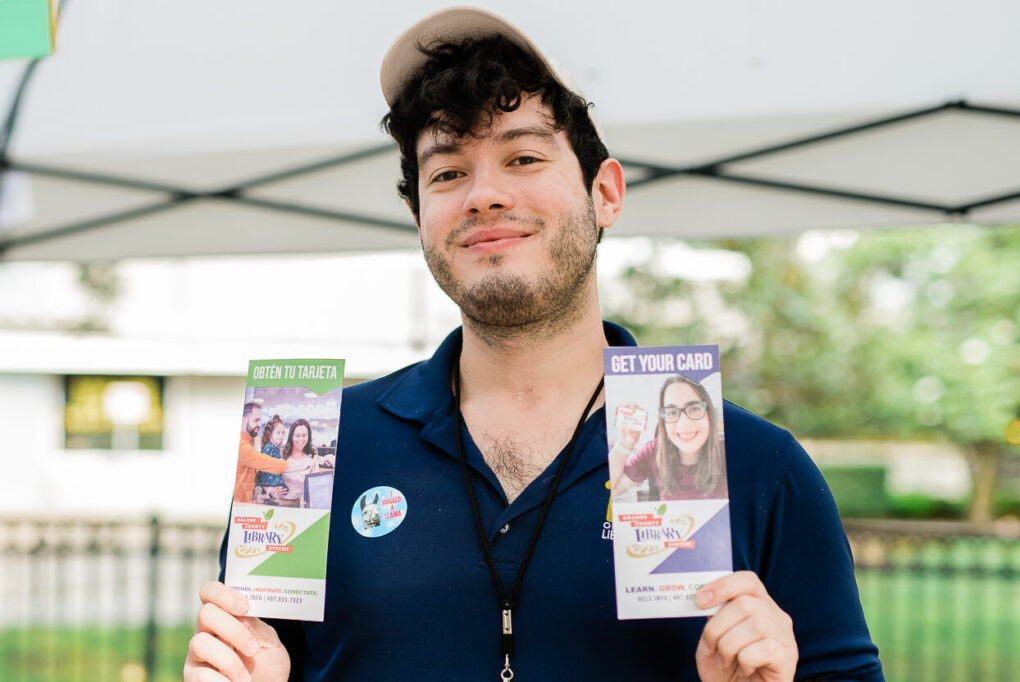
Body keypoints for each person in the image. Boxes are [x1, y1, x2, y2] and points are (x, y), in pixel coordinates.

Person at [186, 8, 883, 681]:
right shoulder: (311, 445)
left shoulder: (758, 467)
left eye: (522, 156)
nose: (484, 195)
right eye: (448, 172)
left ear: (605, 193)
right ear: (418, 215)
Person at [609, 375, 728, 500]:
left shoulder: (727, 449)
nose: (684, 424)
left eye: (694, 408)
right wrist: (624, 444)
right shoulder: (654, 450)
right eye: (671, 412)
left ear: (709, 414)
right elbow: (611, 489)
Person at [232, 402, 289, 504]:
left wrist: (267, 492)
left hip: (244, 504)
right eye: (256, 420)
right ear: (243, 420)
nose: (259, 424)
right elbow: (263, 462)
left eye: (260, 420)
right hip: (238, 505)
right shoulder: (240, 444)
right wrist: (292, 464)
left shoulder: (249, 441)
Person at [279, 419, 318, 508]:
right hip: (281, 503)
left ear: (308, 437)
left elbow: (314, 488)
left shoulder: (312, 458)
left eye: (304, 435)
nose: (301, 439)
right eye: (297, 435)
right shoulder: (282, 456)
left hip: (300, 504)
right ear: (291, 437)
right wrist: (272, 490)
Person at [254, 415, 288, 504]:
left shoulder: (274, 447)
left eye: (283, 433)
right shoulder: (269, 448)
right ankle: (263, 496)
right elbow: (265, 468)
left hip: (272, 482)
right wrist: (268, 489)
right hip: (269, 484)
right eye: (278, 432)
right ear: (270, 433)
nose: (281, 436)